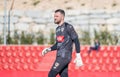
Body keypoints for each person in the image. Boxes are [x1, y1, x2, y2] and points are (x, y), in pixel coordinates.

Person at [41, 9, 83, 77]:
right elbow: (58, 44)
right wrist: (49, 49)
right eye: (54, 16)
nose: (55, 18)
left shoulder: (68, 27)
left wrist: (78, 55)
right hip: (60, 56)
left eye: (57, 16)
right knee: (64, 75)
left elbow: (76, 40)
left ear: (62, 17)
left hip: (64, 56)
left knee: (51, 75)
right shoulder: (57, 29)